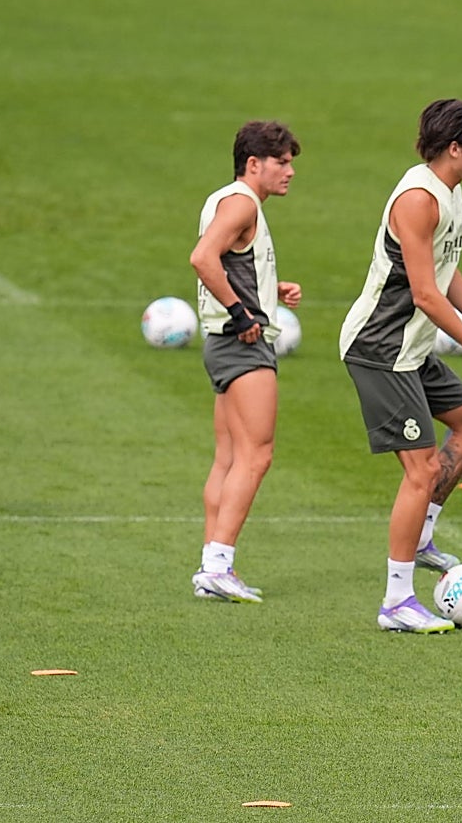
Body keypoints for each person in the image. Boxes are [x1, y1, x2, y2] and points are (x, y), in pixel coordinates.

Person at [339, 99, 462, 633]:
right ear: (453, 148)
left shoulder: (452, 192)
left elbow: (447, 276)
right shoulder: (419, 200)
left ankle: (421, 535)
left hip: (414, 350)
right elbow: (425, 294)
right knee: (421, 469)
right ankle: (396, 602)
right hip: (381, 349)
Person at [189, 120, 302, 603]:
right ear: (253, 164)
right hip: (242, 344)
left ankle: (210, 565)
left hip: (220, 342)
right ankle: (219, 564)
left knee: (230, 457)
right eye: (282, 162)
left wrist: (265, 291)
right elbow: (202, 258)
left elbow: (228, 260)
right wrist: (242, 311)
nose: (290, 171)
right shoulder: (242, 203)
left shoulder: (225, 199)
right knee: (257, 455)